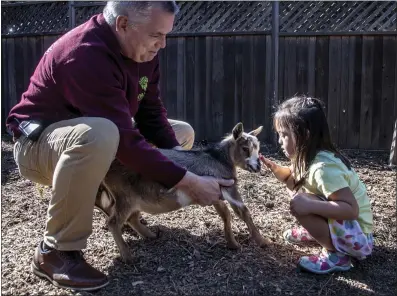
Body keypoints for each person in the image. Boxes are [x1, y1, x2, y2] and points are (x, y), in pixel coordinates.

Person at [6, 1, 233, 291]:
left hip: (102, 137)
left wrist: (183, 162)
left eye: (166, 35)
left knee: (181, 133)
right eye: (156, 35)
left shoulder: (142, 51)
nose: (162, 45)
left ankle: (118, 203)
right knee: (101, 134)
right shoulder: (85, 55)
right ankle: (55, 251)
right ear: (123, 24)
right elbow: (125, 142)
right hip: (37, 145)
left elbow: (150, 114)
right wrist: (189, 181)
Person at [260, 96, 373, 274]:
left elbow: (351, 210)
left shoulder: (323, 169)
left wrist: (309, 205)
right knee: (300, 198)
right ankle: (321, 233)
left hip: (359, 239)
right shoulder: (308, 157)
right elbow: (294, 182)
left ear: (305, 134)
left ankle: (337, 255)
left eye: (284, 135)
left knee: (300, 203)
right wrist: (277, 170)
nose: (280, 141)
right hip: (349, 229)